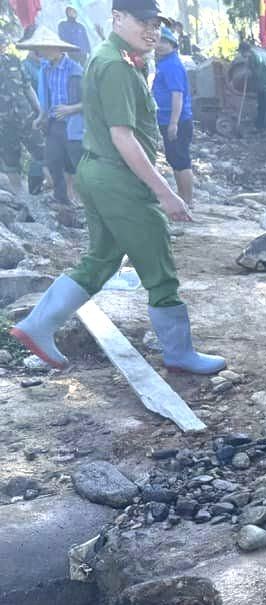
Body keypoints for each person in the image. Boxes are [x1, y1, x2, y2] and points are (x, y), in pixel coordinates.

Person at [10, 0, 225, 376]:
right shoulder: (116, 66)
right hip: (119, 179)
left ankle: (38, 324)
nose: (152, 30)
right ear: (118, 18)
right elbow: (123, 137)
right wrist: (164, 192)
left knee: (101, 259)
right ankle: (179, 353)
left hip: (99, 173)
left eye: (156, 23)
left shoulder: (114, 57)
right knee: (159, 268)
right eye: (143, 21)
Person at [19, 27, 84, 207]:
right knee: (54, 161)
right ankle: (62, 200)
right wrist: (41, 116)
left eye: (46, 48)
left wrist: (70, 109)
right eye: (40, 48)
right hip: (54, 124)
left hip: (73, 125)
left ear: (57, 48)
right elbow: (45, 98)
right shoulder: (45, 69)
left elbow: (91, 102)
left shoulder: (75, 70)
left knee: (77, 164)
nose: (42, 52)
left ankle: (84, 199)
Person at [1, 33, 45, 199]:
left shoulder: (13, 60)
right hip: (3, 123)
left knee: (42, 152)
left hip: (25, 116)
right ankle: (21, 197)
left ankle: (41, 190)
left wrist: (39, 109)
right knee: (11, 161)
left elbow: (27, 87)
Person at [152, 25, 193, 205]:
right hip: (168, 118)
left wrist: (173, 123)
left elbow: (177, 95)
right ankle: (183, 198)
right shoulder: (164, 63)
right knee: (175, 159)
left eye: (165, 42)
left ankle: (188, 200)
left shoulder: (171, 65)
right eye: (158, 41)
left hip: (177, 120)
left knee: (181, 160)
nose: (160, 45)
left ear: (174, 45)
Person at [18, 43, 46, 195]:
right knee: (39, 152)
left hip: (45, 111)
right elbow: (29, 89)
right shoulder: (24, 66)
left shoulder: (45, 64)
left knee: (43, 152)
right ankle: (34, 190)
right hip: (30, 114)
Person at [238, 39, 266, 131]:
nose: (241, 54)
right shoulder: (251, 57)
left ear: (246, 51)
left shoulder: (255, 57)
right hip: (261, 87)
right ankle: (259, 126)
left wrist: (249, 72)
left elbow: (258, 73)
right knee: (261, 107)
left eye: (241, 52)